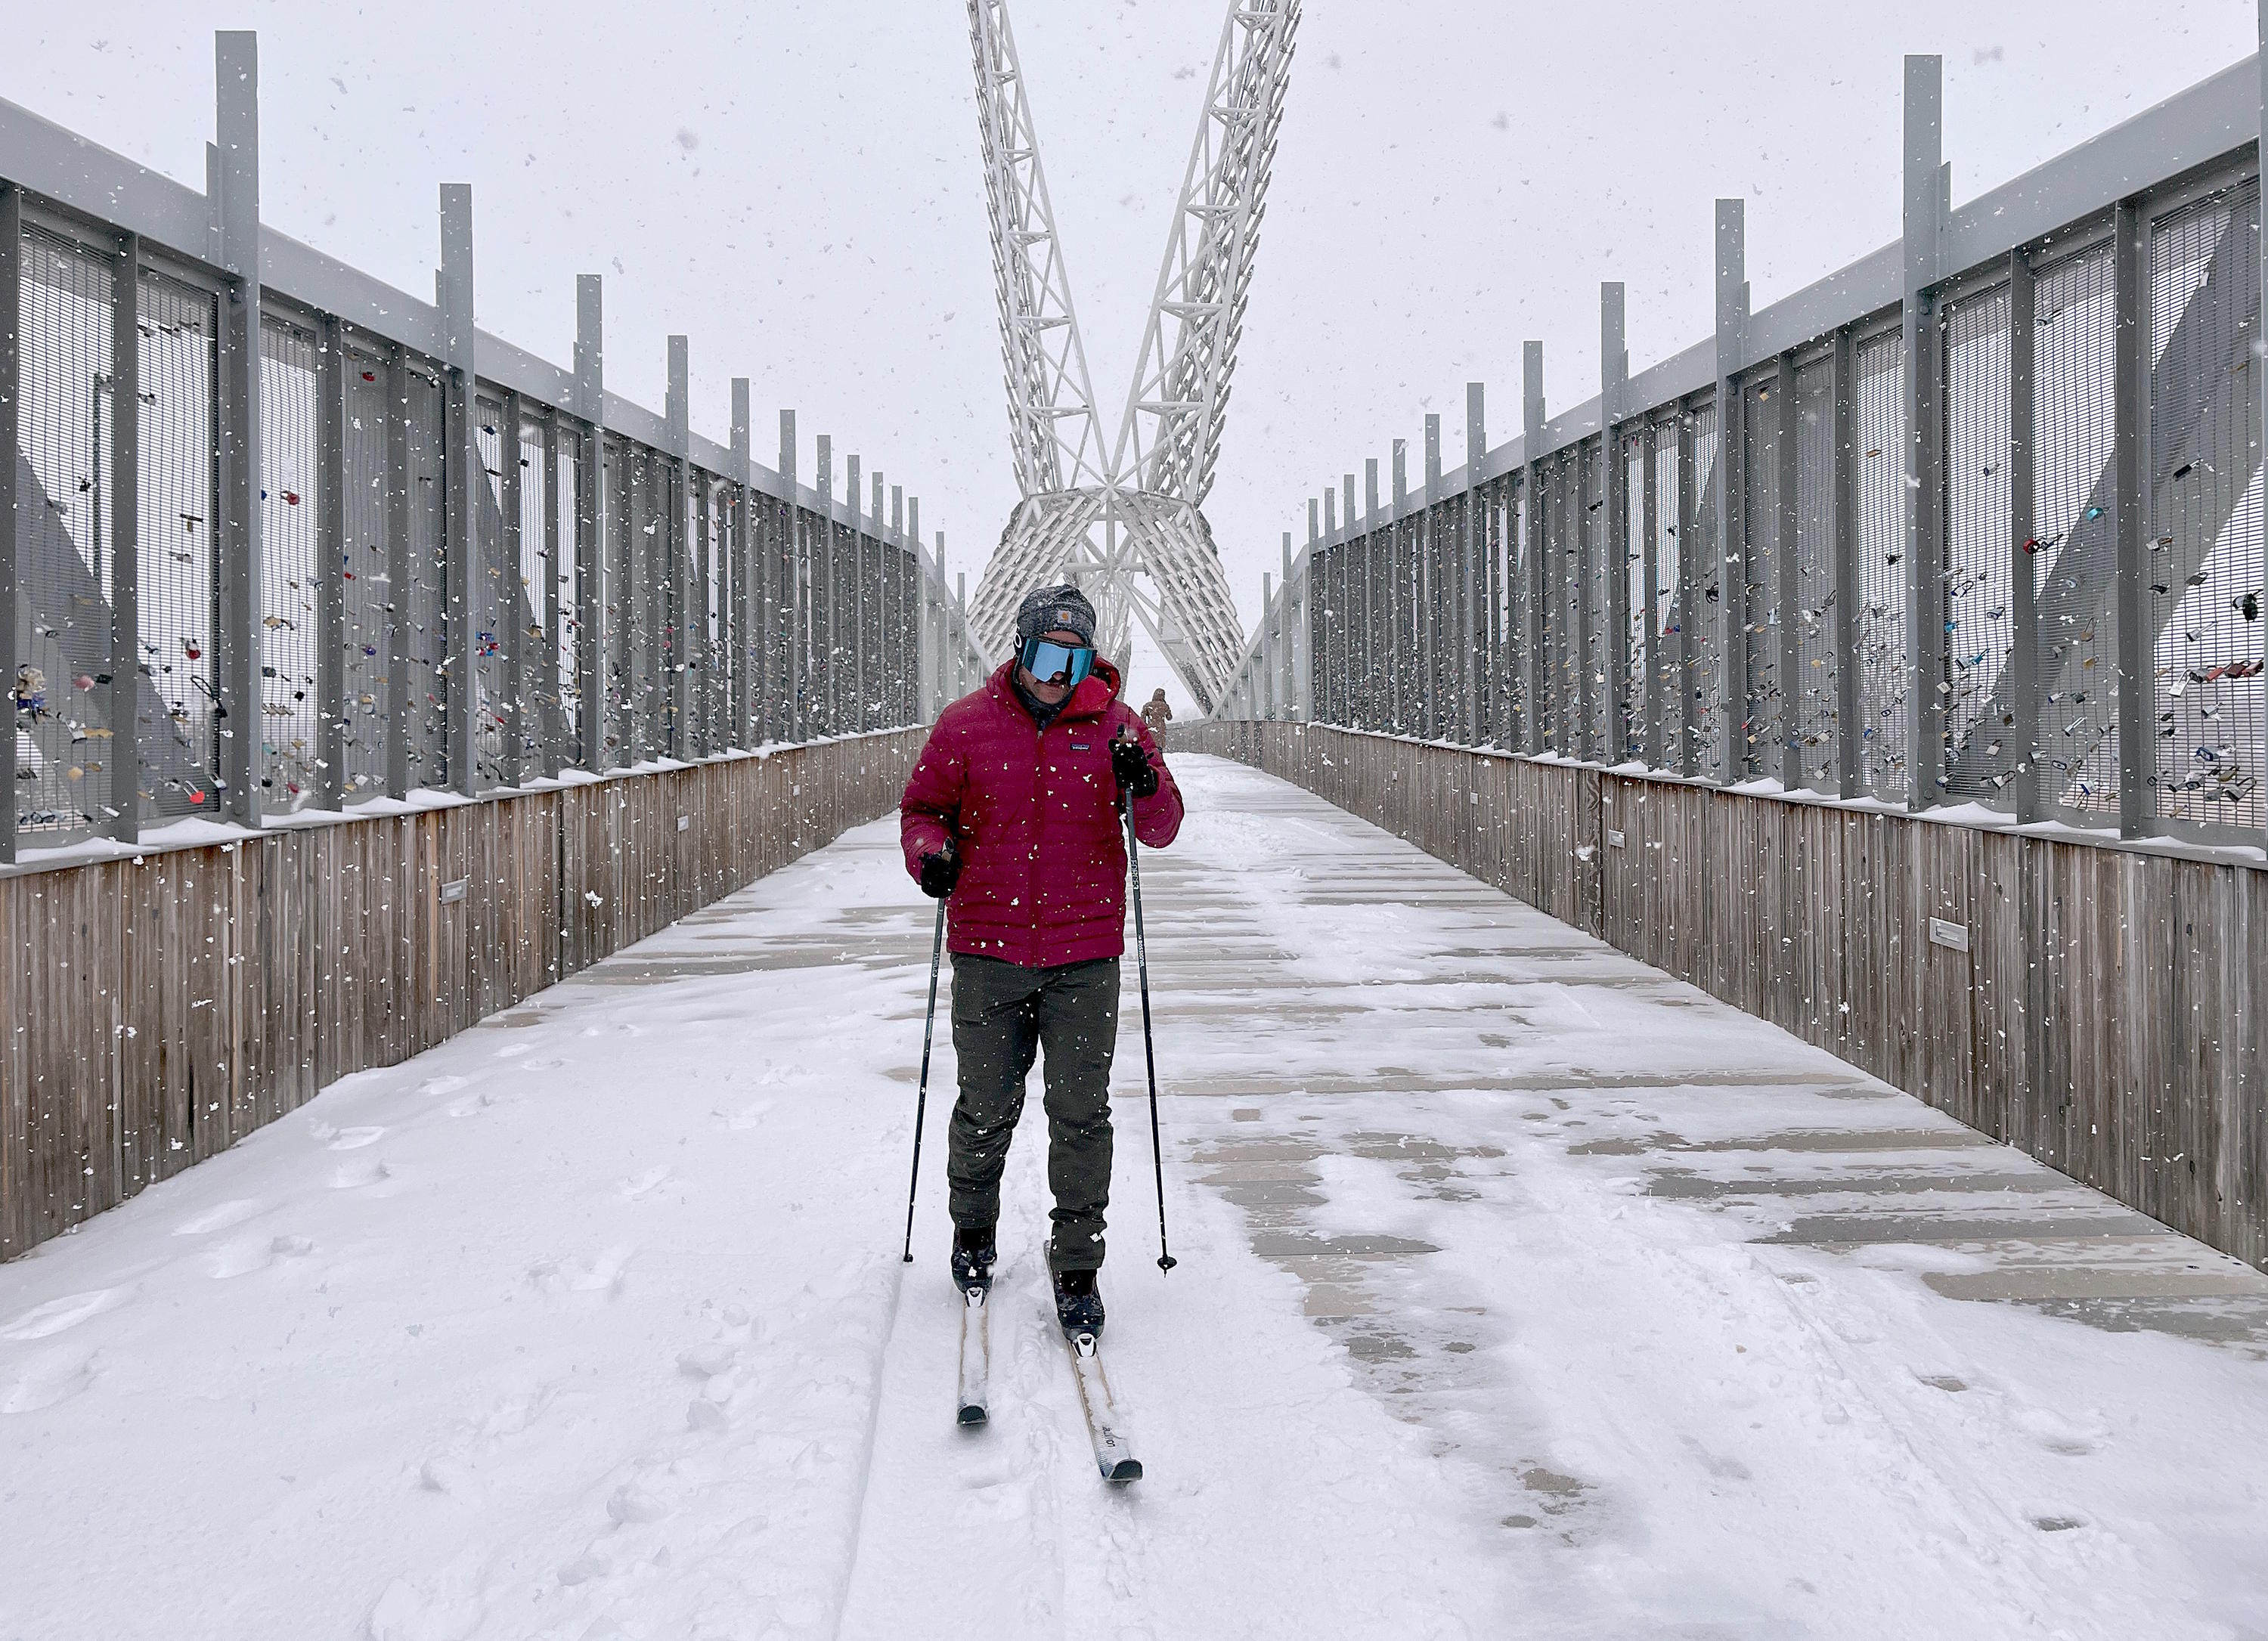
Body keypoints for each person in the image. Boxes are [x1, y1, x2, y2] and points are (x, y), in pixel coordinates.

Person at [900, 584, 1184, 1336]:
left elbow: (1160, 828)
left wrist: (1145, 782)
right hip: (988, 948)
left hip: (1084, 956)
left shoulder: (1118, 728)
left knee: (1081, 1113)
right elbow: (922, 810)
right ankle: (972, 1230)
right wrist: (931, 854)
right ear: (1022, 649)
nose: (1061, 672)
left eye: (1077, 656)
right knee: (985, 1105)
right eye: (1049, 653)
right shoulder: (966, 726)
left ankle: (1079, 1264)